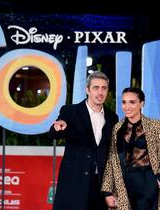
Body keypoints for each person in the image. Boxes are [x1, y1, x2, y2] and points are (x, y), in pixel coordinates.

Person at [49, 71, 119, 210]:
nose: (100, 92)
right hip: (74, 183)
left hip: (99, 186)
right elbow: (53, 134)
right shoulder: (70, 111)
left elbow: (111, 153)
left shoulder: (112, 117)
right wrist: (58, 127)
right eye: (96, 87)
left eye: (104, 88)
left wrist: (111, 190)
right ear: (87, 90)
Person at [101, 87, 160, 210]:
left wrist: (159, 179)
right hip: (123, 183)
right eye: (124, 102)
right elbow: (112, 160)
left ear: (142, 103)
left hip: (148, 180)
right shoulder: (117, 128)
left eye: (132, 102)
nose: (127, 106)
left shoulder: (156, 126)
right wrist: (107, 191)